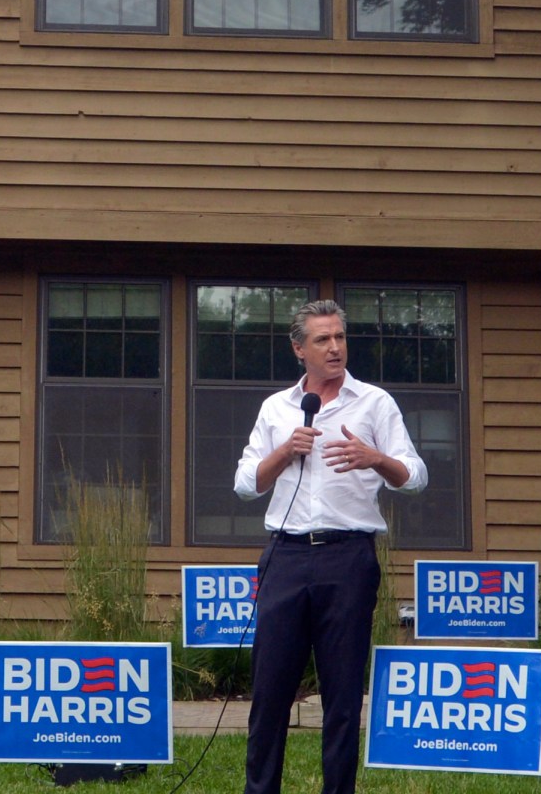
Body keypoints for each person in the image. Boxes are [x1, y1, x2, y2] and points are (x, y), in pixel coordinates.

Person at [232, 298, 427, 794]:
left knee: (342, 696)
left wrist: (374, 457)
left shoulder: (375, 403)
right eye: (323, 339)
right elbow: (245, 484)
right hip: (286, 556)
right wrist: (284, 450)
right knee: (270, 692)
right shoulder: (276, 407)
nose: (335, 347)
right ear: (300, 349)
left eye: (340, 336)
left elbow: (416, 477)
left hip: (348, 558)